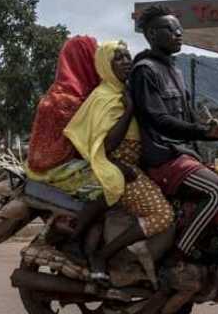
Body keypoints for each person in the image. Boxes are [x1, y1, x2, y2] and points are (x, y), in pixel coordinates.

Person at [130, 4, 218, 256]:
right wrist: (202, 132)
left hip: (183, 154)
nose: (178, 33)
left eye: (179, 28)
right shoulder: (145, 70)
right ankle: (181, 253)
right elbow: (158, 119)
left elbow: (189, 118)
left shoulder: (174, 70)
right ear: (153, 35)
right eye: (171, 29)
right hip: (163, 157)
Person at [64, 41, 175, 265]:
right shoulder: (103, 97)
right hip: (117, 167)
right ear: (105, 64)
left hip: (136, 164)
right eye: (118, 58)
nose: (126, 61)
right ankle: (102, 257)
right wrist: (128, 111)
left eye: (127, 56)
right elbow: (106, 146)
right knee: (163, 216)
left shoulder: (125, 90)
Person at [27, 35, 100, 174]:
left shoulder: (52, 94)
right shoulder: (86, 100)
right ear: (87, 60)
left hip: (36, 169)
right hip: (65, 170)